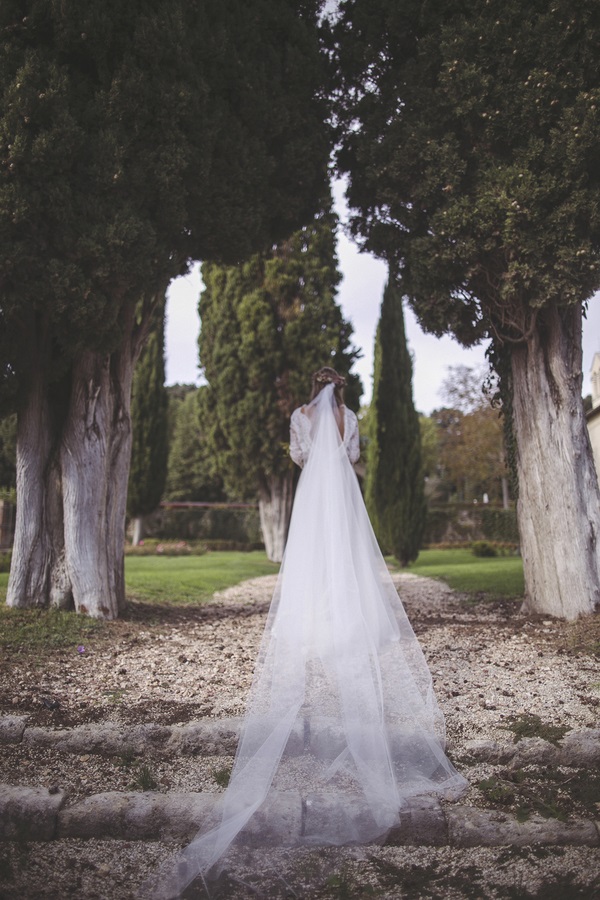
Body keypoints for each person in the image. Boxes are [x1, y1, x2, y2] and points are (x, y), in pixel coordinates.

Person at [145, 366, 467, 899]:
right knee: (345, 557)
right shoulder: (350, 417)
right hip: (341, 492)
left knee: (312, 557)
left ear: (312, 389)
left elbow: (298, 457)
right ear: (339, 387)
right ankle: (345, 620)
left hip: (314, 494)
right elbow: (356, 457)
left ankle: (313, 620)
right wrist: (338, 453)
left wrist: (314, 454)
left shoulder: (299, 416)